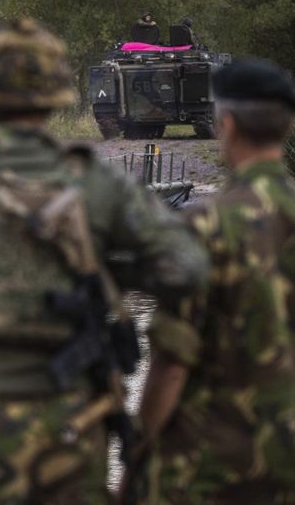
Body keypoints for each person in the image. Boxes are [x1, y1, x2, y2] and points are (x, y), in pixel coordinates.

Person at [0, 18, 207, 505]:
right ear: (56, 95)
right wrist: (109, 271)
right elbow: (187, 268)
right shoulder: (96, 184)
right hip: (76, 430)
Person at [131, 60, 295, 505]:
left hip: (217, 464)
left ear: (226, 125)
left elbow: (171, 362)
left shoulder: (207, 226)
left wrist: (138, 451)